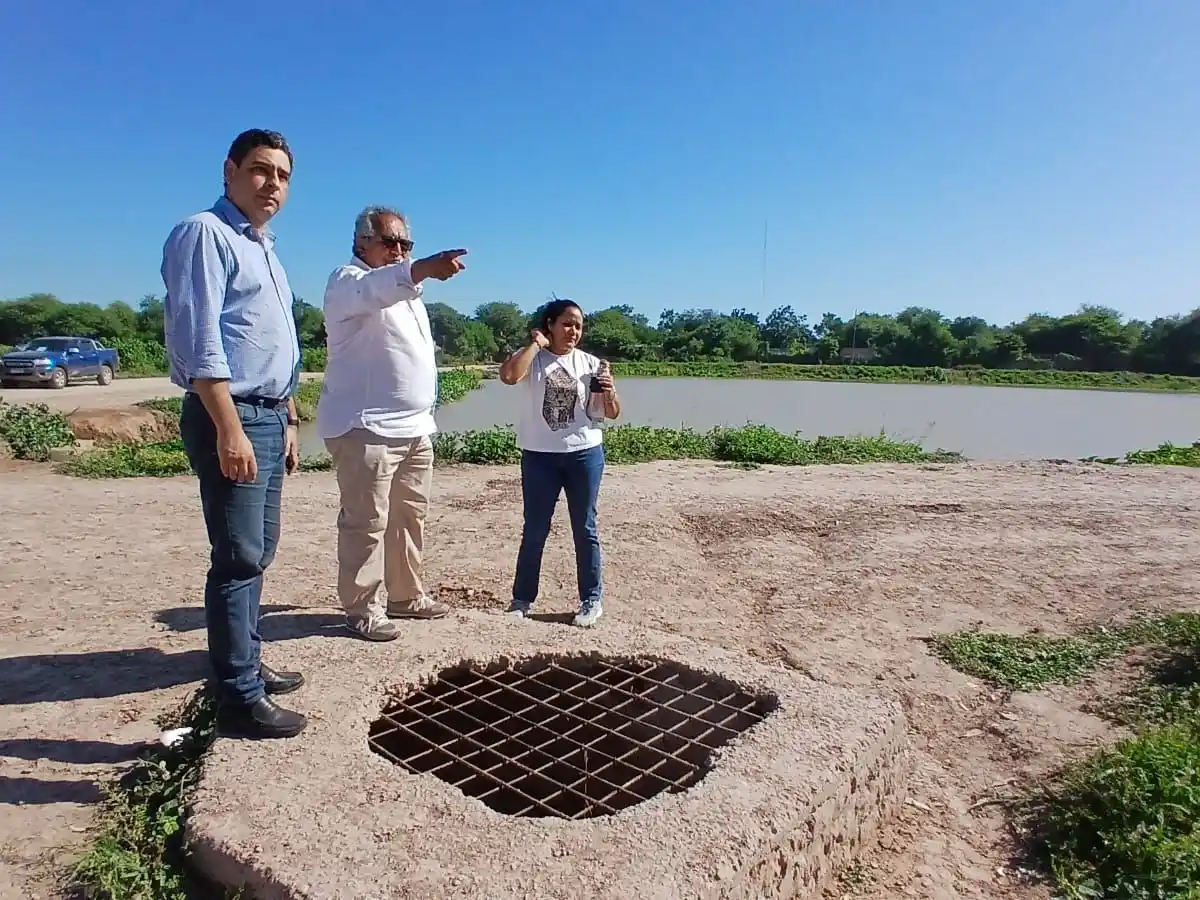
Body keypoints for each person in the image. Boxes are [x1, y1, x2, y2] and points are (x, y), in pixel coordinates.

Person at [162, 128, 307, 740]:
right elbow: (201, 342)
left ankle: (247, 662)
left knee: (258, 551)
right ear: (229, 171)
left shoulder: (263, 246)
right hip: (235, 415)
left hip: (269, 414)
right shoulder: (206, 233)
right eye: (259, 170)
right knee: (238, 556)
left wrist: (291, 417)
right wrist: (229, 428)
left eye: (282, 174)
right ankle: (237, 696)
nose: (271, 183)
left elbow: (272, 341)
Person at [316, 206, 468, 641]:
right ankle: (363, 608)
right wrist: (421, 269)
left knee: (408, 517)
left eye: (407, 244)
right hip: (367, 428)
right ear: (362, 242)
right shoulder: (348, 282)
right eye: (390, 242)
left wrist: (414, 274)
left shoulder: (405, 291)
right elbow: (376, 289)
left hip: (415, 428)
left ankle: (405, 595)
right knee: (366, 522)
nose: (399, 251)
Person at [498, 298, 620, 627]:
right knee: (535, 529)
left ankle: (591, 599)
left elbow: (610, 413)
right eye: (566, 323)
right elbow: (509, 376)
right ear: (549, 324)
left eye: (578, 325)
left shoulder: (592, 364)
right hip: (539, 457)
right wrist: (535, 345)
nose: (573, 331)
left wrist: (608, 392)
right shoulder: (534, 360)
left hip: (584, 455)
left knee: (585, 528)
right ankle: (522, 600)